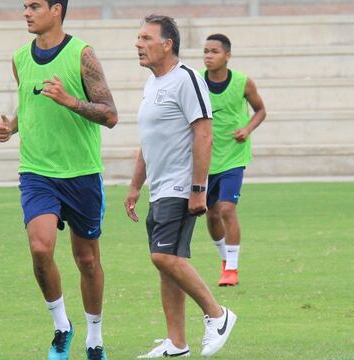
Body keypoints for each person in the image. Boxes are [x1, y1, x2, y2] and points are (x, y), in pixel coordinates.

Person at [0, 1, 118, 359]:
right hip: (37, 173)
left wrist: (70, 100)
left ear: (56, 10)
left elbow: (110, 115)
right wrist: (11, 126)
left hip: (81, 173)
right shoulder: (19, 58)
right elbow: (31, 102)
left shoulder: (83, 55)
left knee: (87, 260)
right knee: (40, 249)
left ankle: (95, 337)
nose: (26, 13)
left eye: (34, 6)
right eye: (24, 6)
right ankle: (62, 326)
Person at [124, 15, 237, 358]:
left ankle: (218, 315)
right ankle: (176, 343)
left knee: (164, 255)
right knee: (166, 262)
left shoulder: (186, 78)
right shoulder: (153, 84)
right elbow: (149, 141)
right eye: (138, 38)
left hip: (180, 185)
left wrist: (198, 188)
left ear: (167, 44)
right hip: (159, 188)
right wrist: (135, 186)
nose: (138, 44)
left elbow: (204, 132)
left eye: (145, 38)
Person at [202, 33, 266, 286]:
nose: (208, 56)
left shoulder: (242, 82)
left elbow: (261, 110)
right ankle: (224, 259)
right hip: (205, 158)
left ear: (227, 55)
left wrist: (247, 129)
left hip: (234, 158)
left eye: (214, 51)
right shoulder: (196, 81)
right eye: (205, 51)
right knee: (211, 214)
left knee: (227, 209)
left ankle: (232, 268)